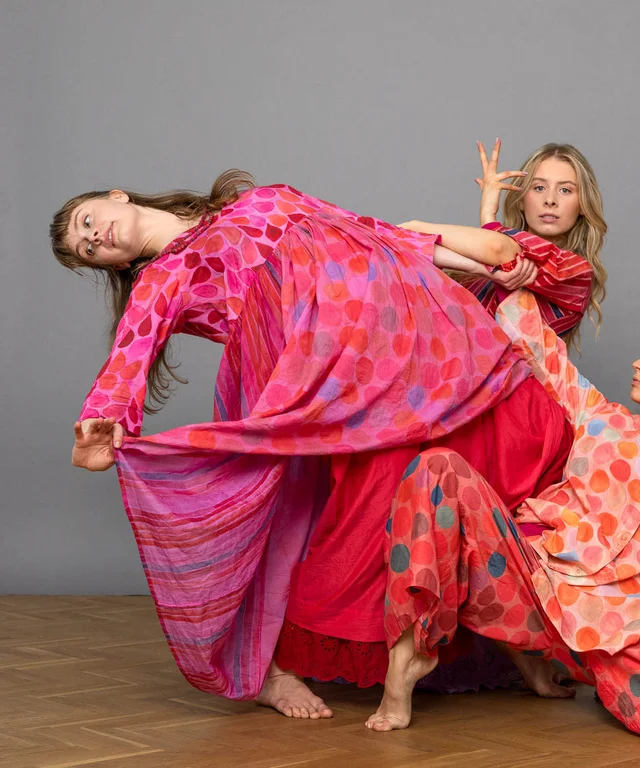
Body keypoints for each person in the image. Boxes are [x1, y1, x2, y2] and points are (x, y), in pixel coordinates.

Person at [52, 172, 586, 717]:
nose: (95, 237)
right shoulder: (161, 278)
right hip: (313, 379)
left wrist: (480, 268)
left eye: (87, 221)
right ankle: (271, 671)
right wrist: (102, 415)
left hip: (397, 336)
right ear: (112, 265)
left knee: (459, 464)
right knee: (301, 513)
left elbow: (363, 230)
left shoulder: (257, 200)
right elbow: (131, 350)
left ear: (115, 196)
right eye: (88, 249)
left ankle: (503, 633)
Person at [366, 286, 640, 747]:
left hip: (637, 626)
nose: (638, 362)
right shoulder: (602, 419)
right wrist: (517, 268)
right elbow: (535, 341)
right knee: (437, 468)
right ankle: (405, 666)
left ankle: (566, 664)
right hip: (535, 587)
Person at [450, 140, 607, 350]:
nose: (550, 200)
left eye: (565, 190)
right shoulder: (474, 268)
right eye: (539, 187)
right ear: (522, 200)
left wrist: (488, 216)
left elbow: (499, 250)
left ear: (582, 205)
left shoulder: (575, 273)